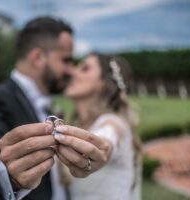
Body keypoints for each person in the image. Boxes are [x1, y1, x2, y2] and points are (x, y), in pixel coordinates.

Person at [0, 17, 111, 200]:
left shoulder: (49, 105)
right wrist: (10, 175)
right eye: (66, 60)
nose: (71, 70)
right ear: (37, 58)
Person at [53, 53, 142, 200]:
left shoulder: (113, 122)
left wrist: (101, 147)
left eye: (85, 68)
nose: (72, 72)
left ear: (104, 83)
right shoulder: (78, 125)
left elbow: (108, 138)